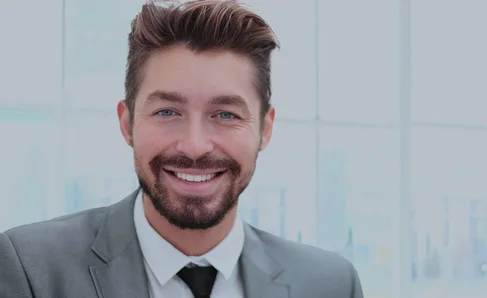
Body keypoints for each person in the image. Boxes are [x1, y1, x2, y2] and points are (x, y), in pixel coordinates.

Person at [0, 1, 364, 297]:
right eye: (167, 112)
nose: (194, 145)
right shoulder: (32, 270)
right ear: (126, 123)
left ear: (264, 129)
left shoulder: (330, 284)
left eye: (225, 114)